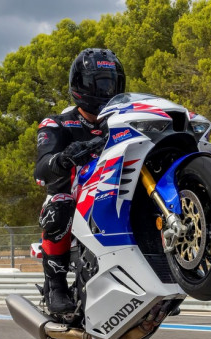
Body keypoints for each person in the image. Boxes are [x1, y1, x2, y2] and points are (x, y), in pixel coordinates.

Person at [34, 48, 126, 314]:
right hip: (75, 204)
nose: (107, 90)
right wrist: (64, 159)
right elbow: (41, 171)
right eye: (100, 83)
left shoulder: (121, 122)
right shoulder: (57, 123)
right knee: (59, 202)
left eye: (112, 83)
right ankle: (56, 285)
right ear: (81, 84)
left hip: (114, 195)